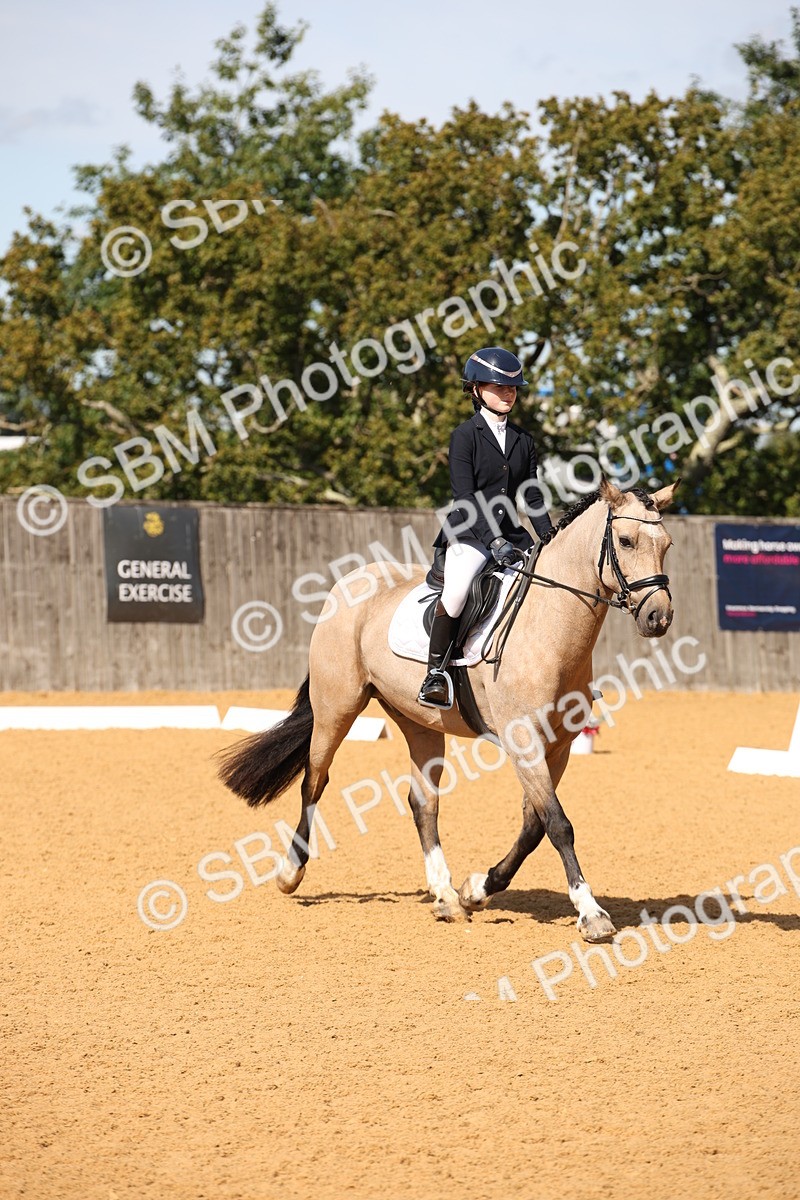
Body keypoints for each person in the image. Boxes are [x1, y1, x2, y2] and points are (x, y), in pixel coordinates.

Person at [417, 345, 555, 709]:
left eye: (512, 388)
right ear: (476, 389)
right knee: (457, 591)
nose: (508, 393)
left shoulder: (524, 440)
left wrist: (549, 537)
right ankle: (436, 674)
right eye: (499, 387)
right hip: (470, 533)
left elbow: (532, 494)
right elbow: (465, 496)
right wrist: (493, 541)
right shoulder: (465, 436)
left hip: (512, 534)